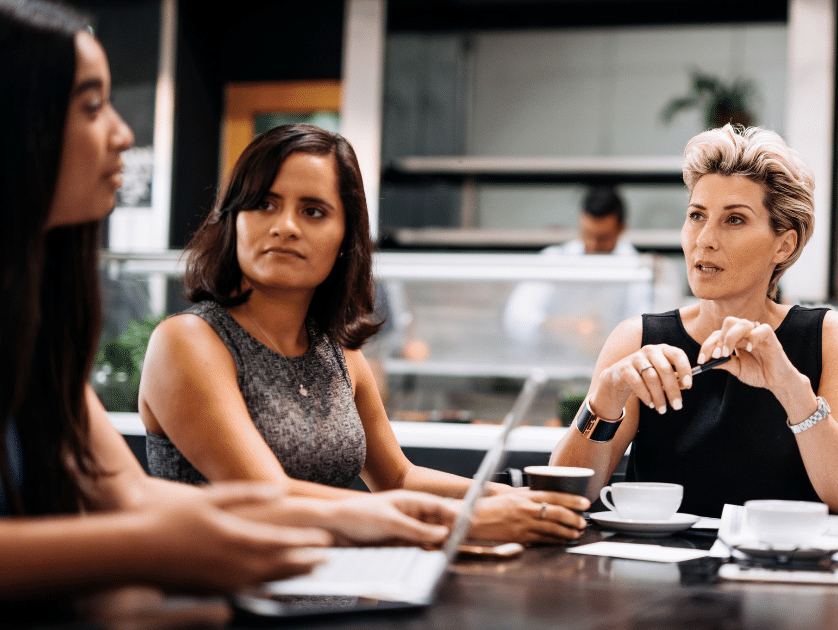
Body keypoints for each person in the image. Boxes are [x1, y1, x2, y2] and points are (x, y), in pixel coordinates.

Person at [0, 1, 459, 601]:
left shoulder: (35, 327)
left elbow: (127, 491)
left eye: (313, 211)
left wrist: (361, 516)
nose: (123, 132)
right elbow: (157, 510)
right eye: (91, 106)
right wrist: (167, 541)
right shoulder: (191, 338)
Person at [139, 123, 589, 545]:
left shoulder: (338, 353)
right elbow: (268, 497)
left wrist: (506, 499)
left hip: (338, 594)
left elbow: (396, 478)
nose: (285, 226)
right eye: (264, 204)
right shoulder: (188, 343)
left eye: (313, 211)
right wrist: (460, 521)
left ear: (344, 240)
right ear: (233, 219)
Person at [550, 125, 838, 518]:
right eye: (696, 215)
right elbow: (560, 496)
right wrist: (605, 399)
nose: (704, 239)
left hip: (782, 573)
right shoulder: (637, 339)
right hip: (655, 574)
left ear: (785, 244)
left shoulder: (829, 337)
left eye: (734, 220)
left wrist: (790, 389)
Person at [502, 185, 652, 350]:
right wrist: (566, 327)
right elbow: (515, 317)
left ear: (622, 229)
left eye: (602, 238)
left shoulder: (638, 272)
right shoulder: (556, 259)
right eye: (587, 234)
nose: (593, 245)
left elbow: (643, 329)